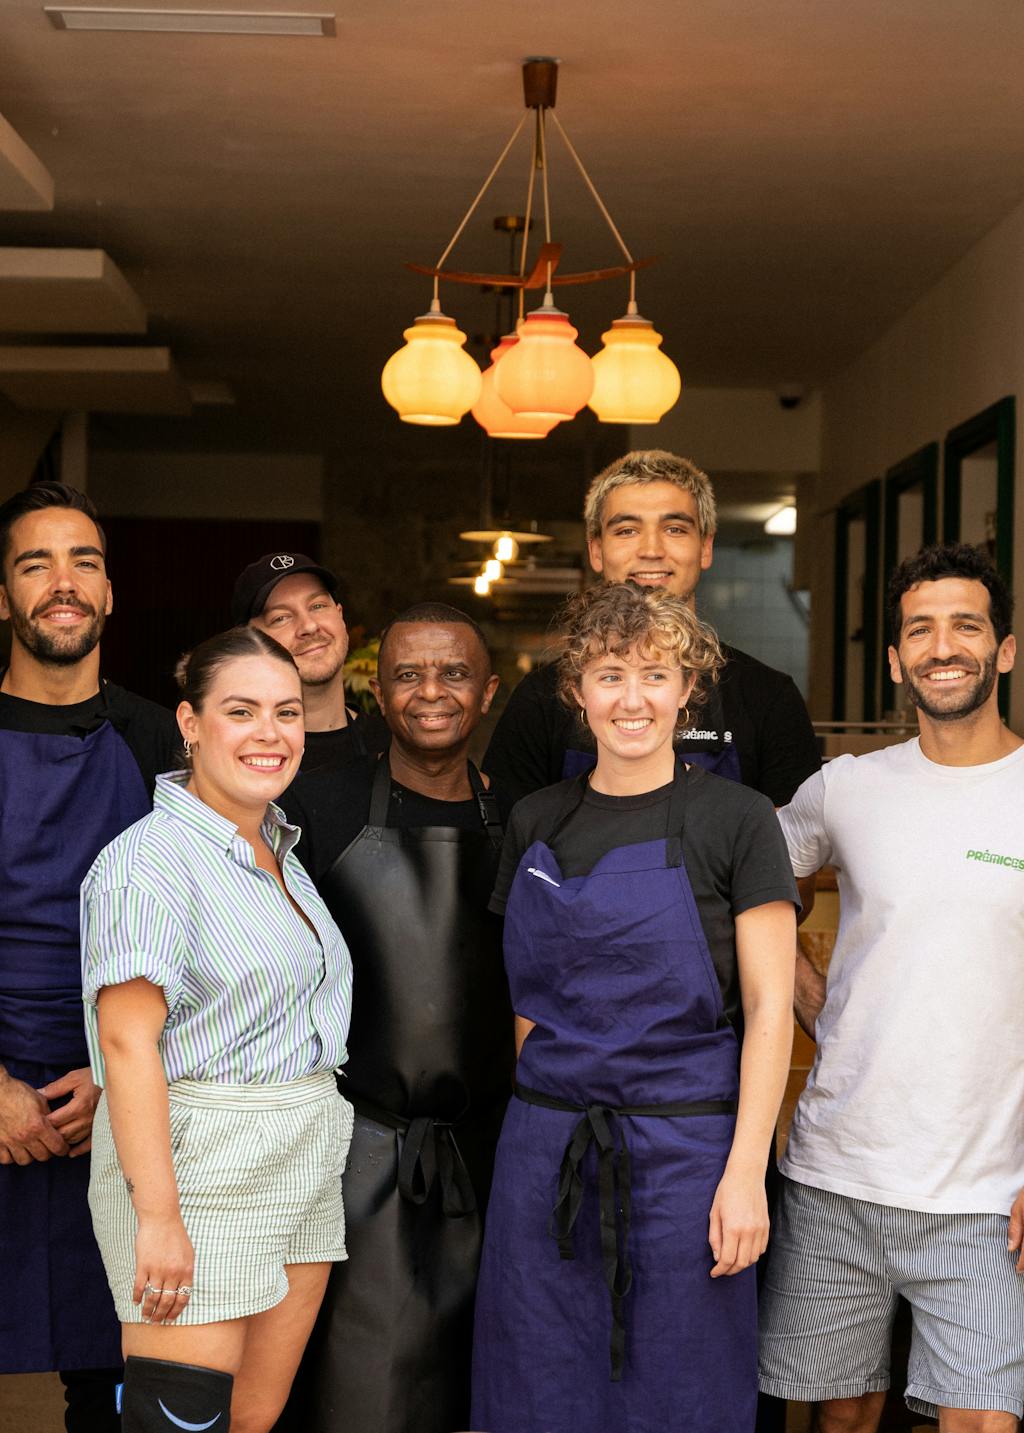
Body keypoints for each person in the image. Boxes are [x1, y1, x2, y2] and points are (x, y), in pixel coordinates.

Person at [472, 582, 797, 1433]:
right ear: (577, 691)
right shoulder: (539, 820)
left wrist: (744, 1175)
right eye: (610, 674)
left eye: (655, 674)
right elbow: (526, 1003)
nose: (633, 698)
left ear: (690, 687)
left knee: (683, 1397)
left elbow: (770, 1009)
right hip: (546, 1160)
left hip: (690, 1160)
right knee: (538, 1392)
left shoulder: (738, 818)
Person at [759, 543, 1024, 1433]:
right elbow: (742, 888)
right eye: (921, 628)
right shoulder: (846, 789)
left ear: (1008, 648)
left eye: (966, 625)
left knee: (983, 1420)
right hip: (840, 1170)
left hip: (988, 1193)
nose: (942, 645)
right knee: (841, 1416)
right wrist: (812, 1000)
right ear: (895, 658)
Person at [79, 626, 354, 1433]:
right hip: (199, 1170)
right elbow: (126, 1045)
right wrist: (157, 1216)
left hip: (301, 1158)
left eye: (287, 712)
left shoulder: (276, 848)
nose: (271, 734)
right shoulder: (148, 862)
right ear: (190, 723)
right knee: (181, 1424)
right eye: (241, 710)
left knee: (250, 1421)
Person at [277, 602, 514, 1433]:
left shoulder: (524, 820)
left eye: (453, 672)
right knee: (360, 1396)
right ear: (376, 691)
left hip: (495, 1156)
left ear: (487, 692)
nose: (431, 691)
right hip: (357, 1158)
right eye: (408, 673)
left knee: (488, 1393)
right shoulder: (313, 809)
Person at [0, 482, 177, 1432]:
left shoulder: (162, 740)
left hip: (118, 1103)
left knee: (113, 1382)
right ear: (2, 597)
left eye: (85, 562)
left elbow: (210, 929)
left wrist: (122, 1079)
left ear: (110, 594)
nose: (63, 583)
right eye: (35, 563)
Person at [483, 448, 820, 808]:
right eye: (626, 530)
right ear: (596, 550)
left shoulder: (767, 698)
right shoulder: (540, 699)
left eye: (674, 529)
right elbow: (511, 841)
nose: (651, 549)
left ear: (705, 547)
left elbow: (795, 851)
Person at [231, 550, 388, 773]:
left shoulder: (393, 746)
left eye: (317, 606)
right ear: (249, 641)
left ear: (340, 616)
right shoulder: (238, 755)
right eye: (281, 618)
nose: (309, 626)